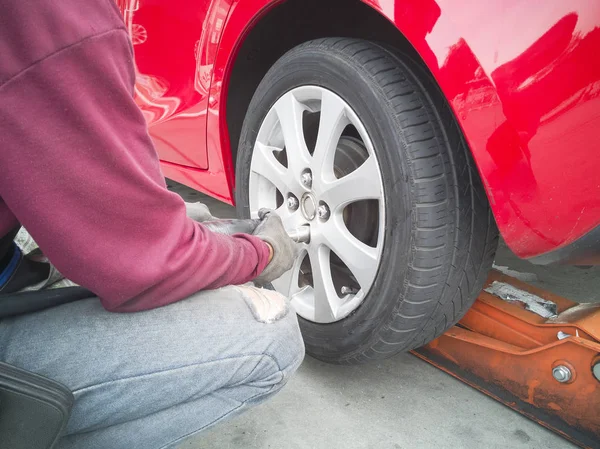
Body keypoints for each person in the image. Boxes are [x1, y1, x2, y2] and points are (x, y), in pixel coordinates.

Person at [0, 0, 305, 448]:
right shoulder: (49, 15)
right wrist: (264, 254)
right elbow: (142, 267)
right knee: (274, 340)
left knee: (199, 232)